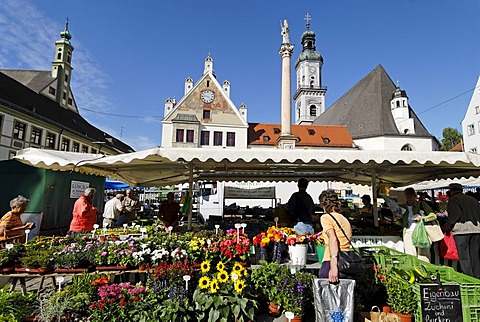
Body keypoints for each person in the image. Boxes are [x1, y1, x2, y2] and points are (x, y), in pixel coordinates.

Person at [444, 183, 480, 278]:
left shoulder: (454, 199)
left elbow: (454, 215)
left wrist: (447, 225)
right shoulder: (473, 199)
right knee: (475, 255)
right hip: (476, 230)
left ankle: (468, 277)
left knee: (464, 256)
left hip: (462, 231)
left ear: (451, 190)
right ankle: (477, 276)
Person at [318, 190, 353, 283]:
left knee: (326, 295)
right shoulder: (344, 219)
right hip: (346, 262)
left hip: (332, 261)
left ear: (323, 204)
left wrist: (333, 267)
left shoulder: (326, 217)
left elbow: (333, 239)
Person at [398, 187, 434, 262]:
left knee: (423, 256)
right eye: (407, 196)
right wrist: (396, 219)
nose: (409, 198)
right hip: (408, 232)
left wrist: (423, 218)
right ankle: (414, 272)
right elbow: (401, 223)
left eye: (411, 196)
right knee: (410, 255)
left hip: (421, 232)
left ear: (415, 196)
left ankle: (425, 272)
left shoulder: (422, 204)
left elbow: (433, 216)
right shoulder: (402, 207)